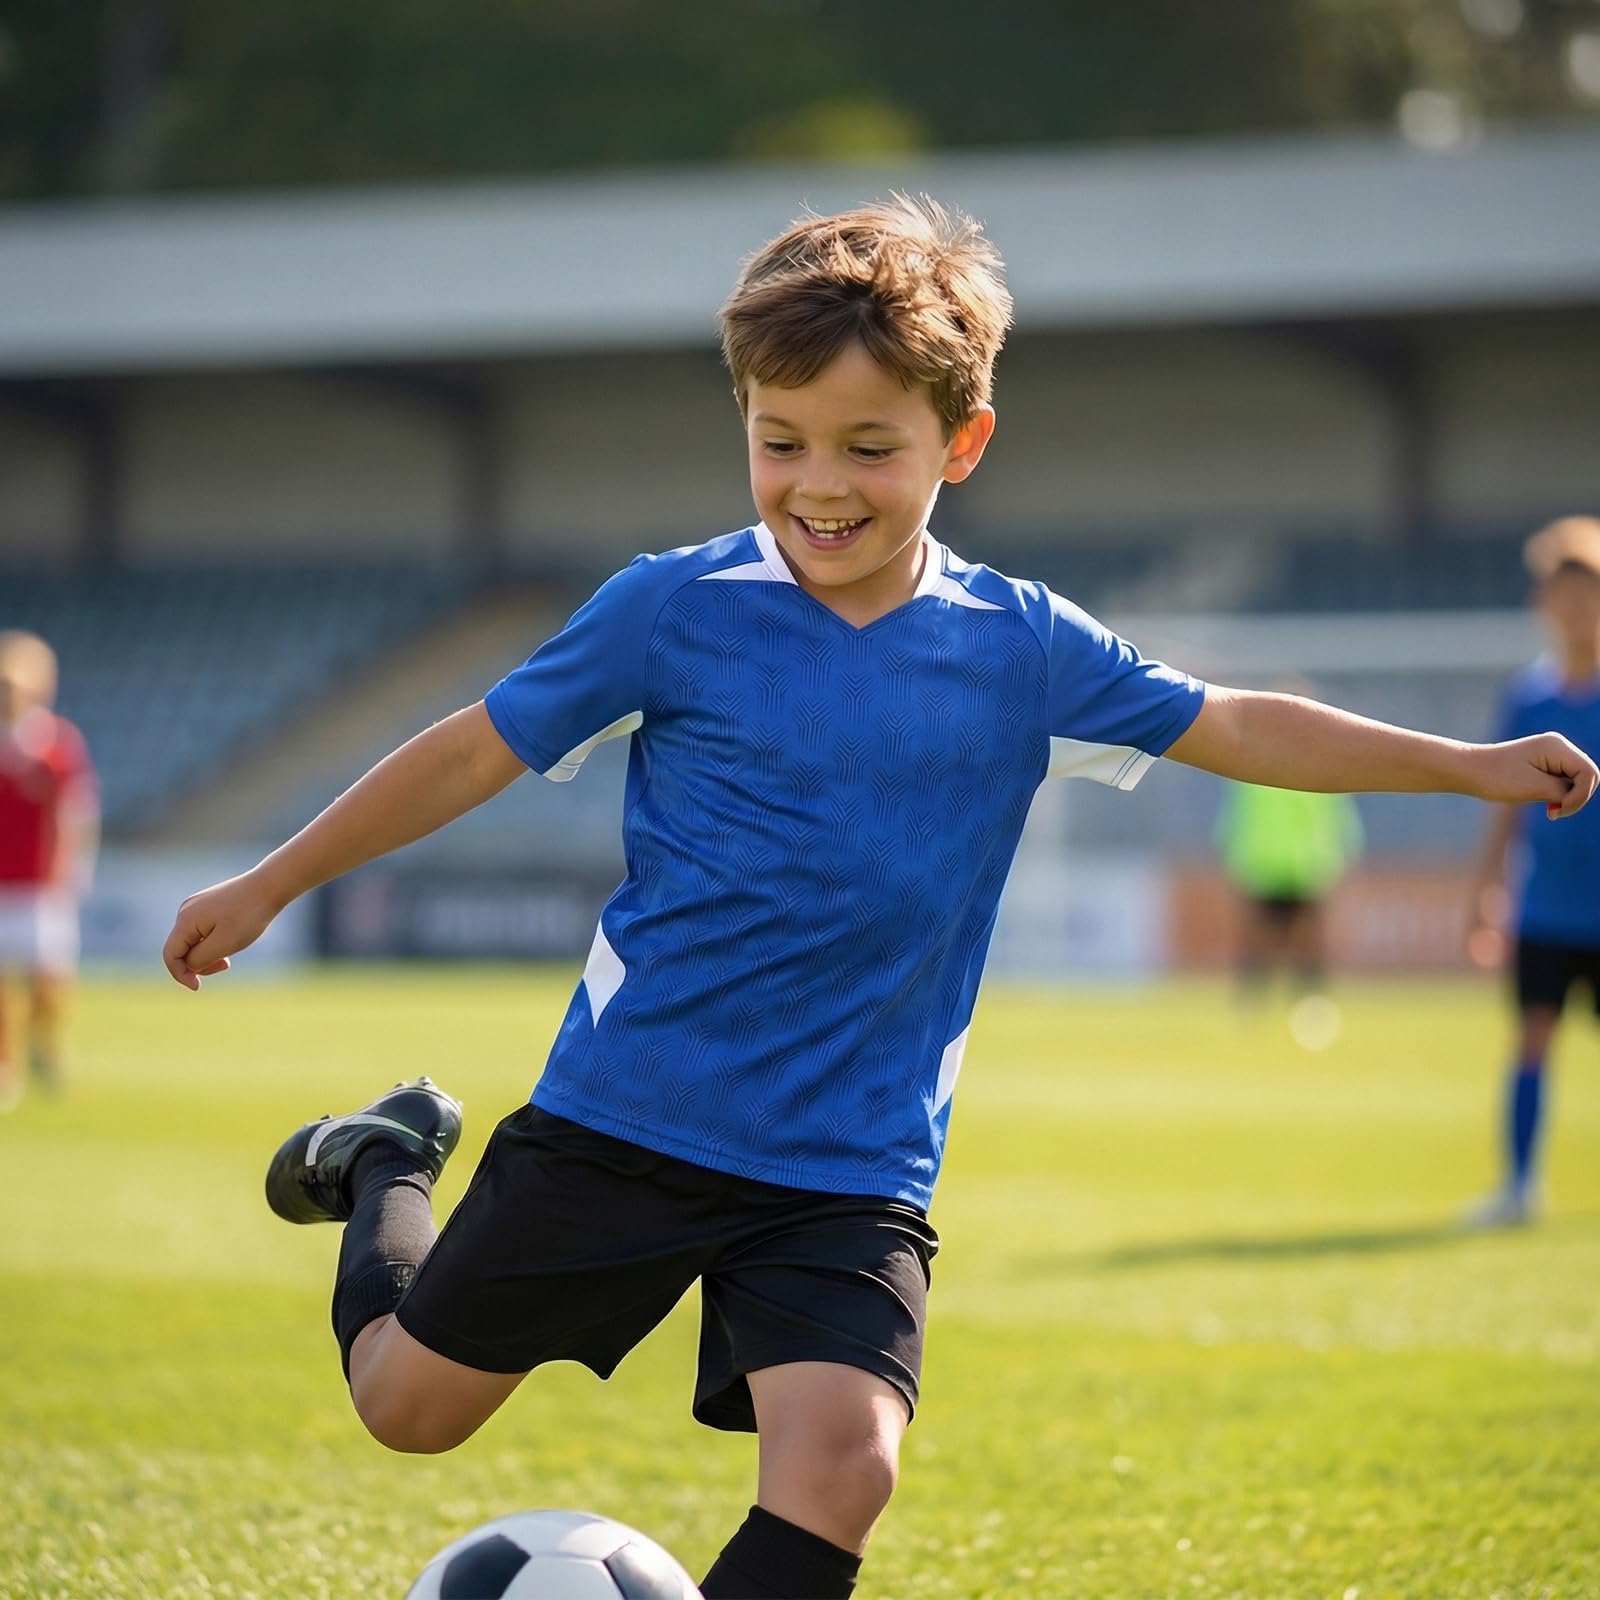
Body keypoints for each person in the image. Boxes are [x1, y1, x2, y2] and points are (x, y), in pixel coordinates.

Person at [160, 198, 1596, 1600]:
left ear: (959, 443)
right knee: (408, 1408)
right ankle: (385, 1167)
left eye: (868, 446)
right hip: (632, 1116)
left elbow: (1236, 724)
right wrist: (275, 877)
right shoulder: (673, 608)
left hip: (851, 1161)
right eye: (778, 443)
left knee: (845, 1467)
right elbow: (473, 746)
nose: (818, 483)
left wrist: (1467, 765)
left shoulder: (1023, 644)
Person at [1464, 516, 1600, 1227]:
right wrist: (1484, 896)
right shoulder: (1528, 701)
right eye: (1565, 596)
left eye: (1590, 597)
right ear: (1544, 604)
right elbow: (1500, 809)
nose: (1577, 611)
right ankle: (1518, 1189)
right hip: (1546, 910)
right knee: (1531, 1041)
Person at [0, 630, 98, 1109]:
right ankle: (6, 1064)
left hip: (41, 885)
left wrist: (70, 871)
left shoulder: (56, 745)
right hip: (2, 884)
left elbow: (75, 813)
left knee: (48, 982)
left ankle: (44, 1042)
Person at [1215, 766, 1364, 1000]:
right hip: (1291, 865)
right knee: (1287, 940)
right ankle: (1300, 1001)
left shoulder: (1253, 768)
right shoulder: (1319, 769)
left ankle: (1282, 1002)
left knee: (1291, 940)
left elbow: (1233, 818)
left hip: (1280, 864)